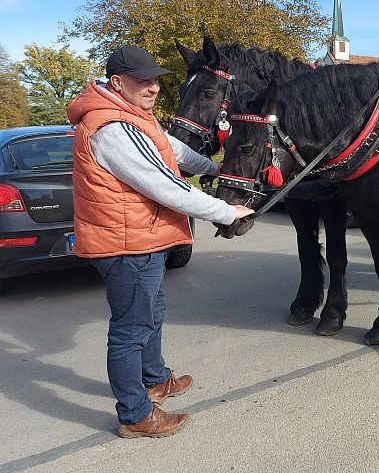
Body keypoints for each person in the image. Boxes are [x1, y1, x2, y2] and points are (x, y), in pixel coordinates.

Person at [67, 45, 254, 438]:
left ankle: (155, 378)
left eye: (155, 80)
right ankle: (135, 414)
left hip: (144, 238)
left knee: (151, 314)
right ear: (118, 83)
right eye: (143, 81)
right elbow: (167, 186)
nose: (153, 88)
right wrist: (225, 211)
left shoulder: (135, 117)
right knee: (130, 330)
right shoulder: (111, 128)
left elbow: (174, 150)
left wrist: (216, 166)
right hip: (127, 244)